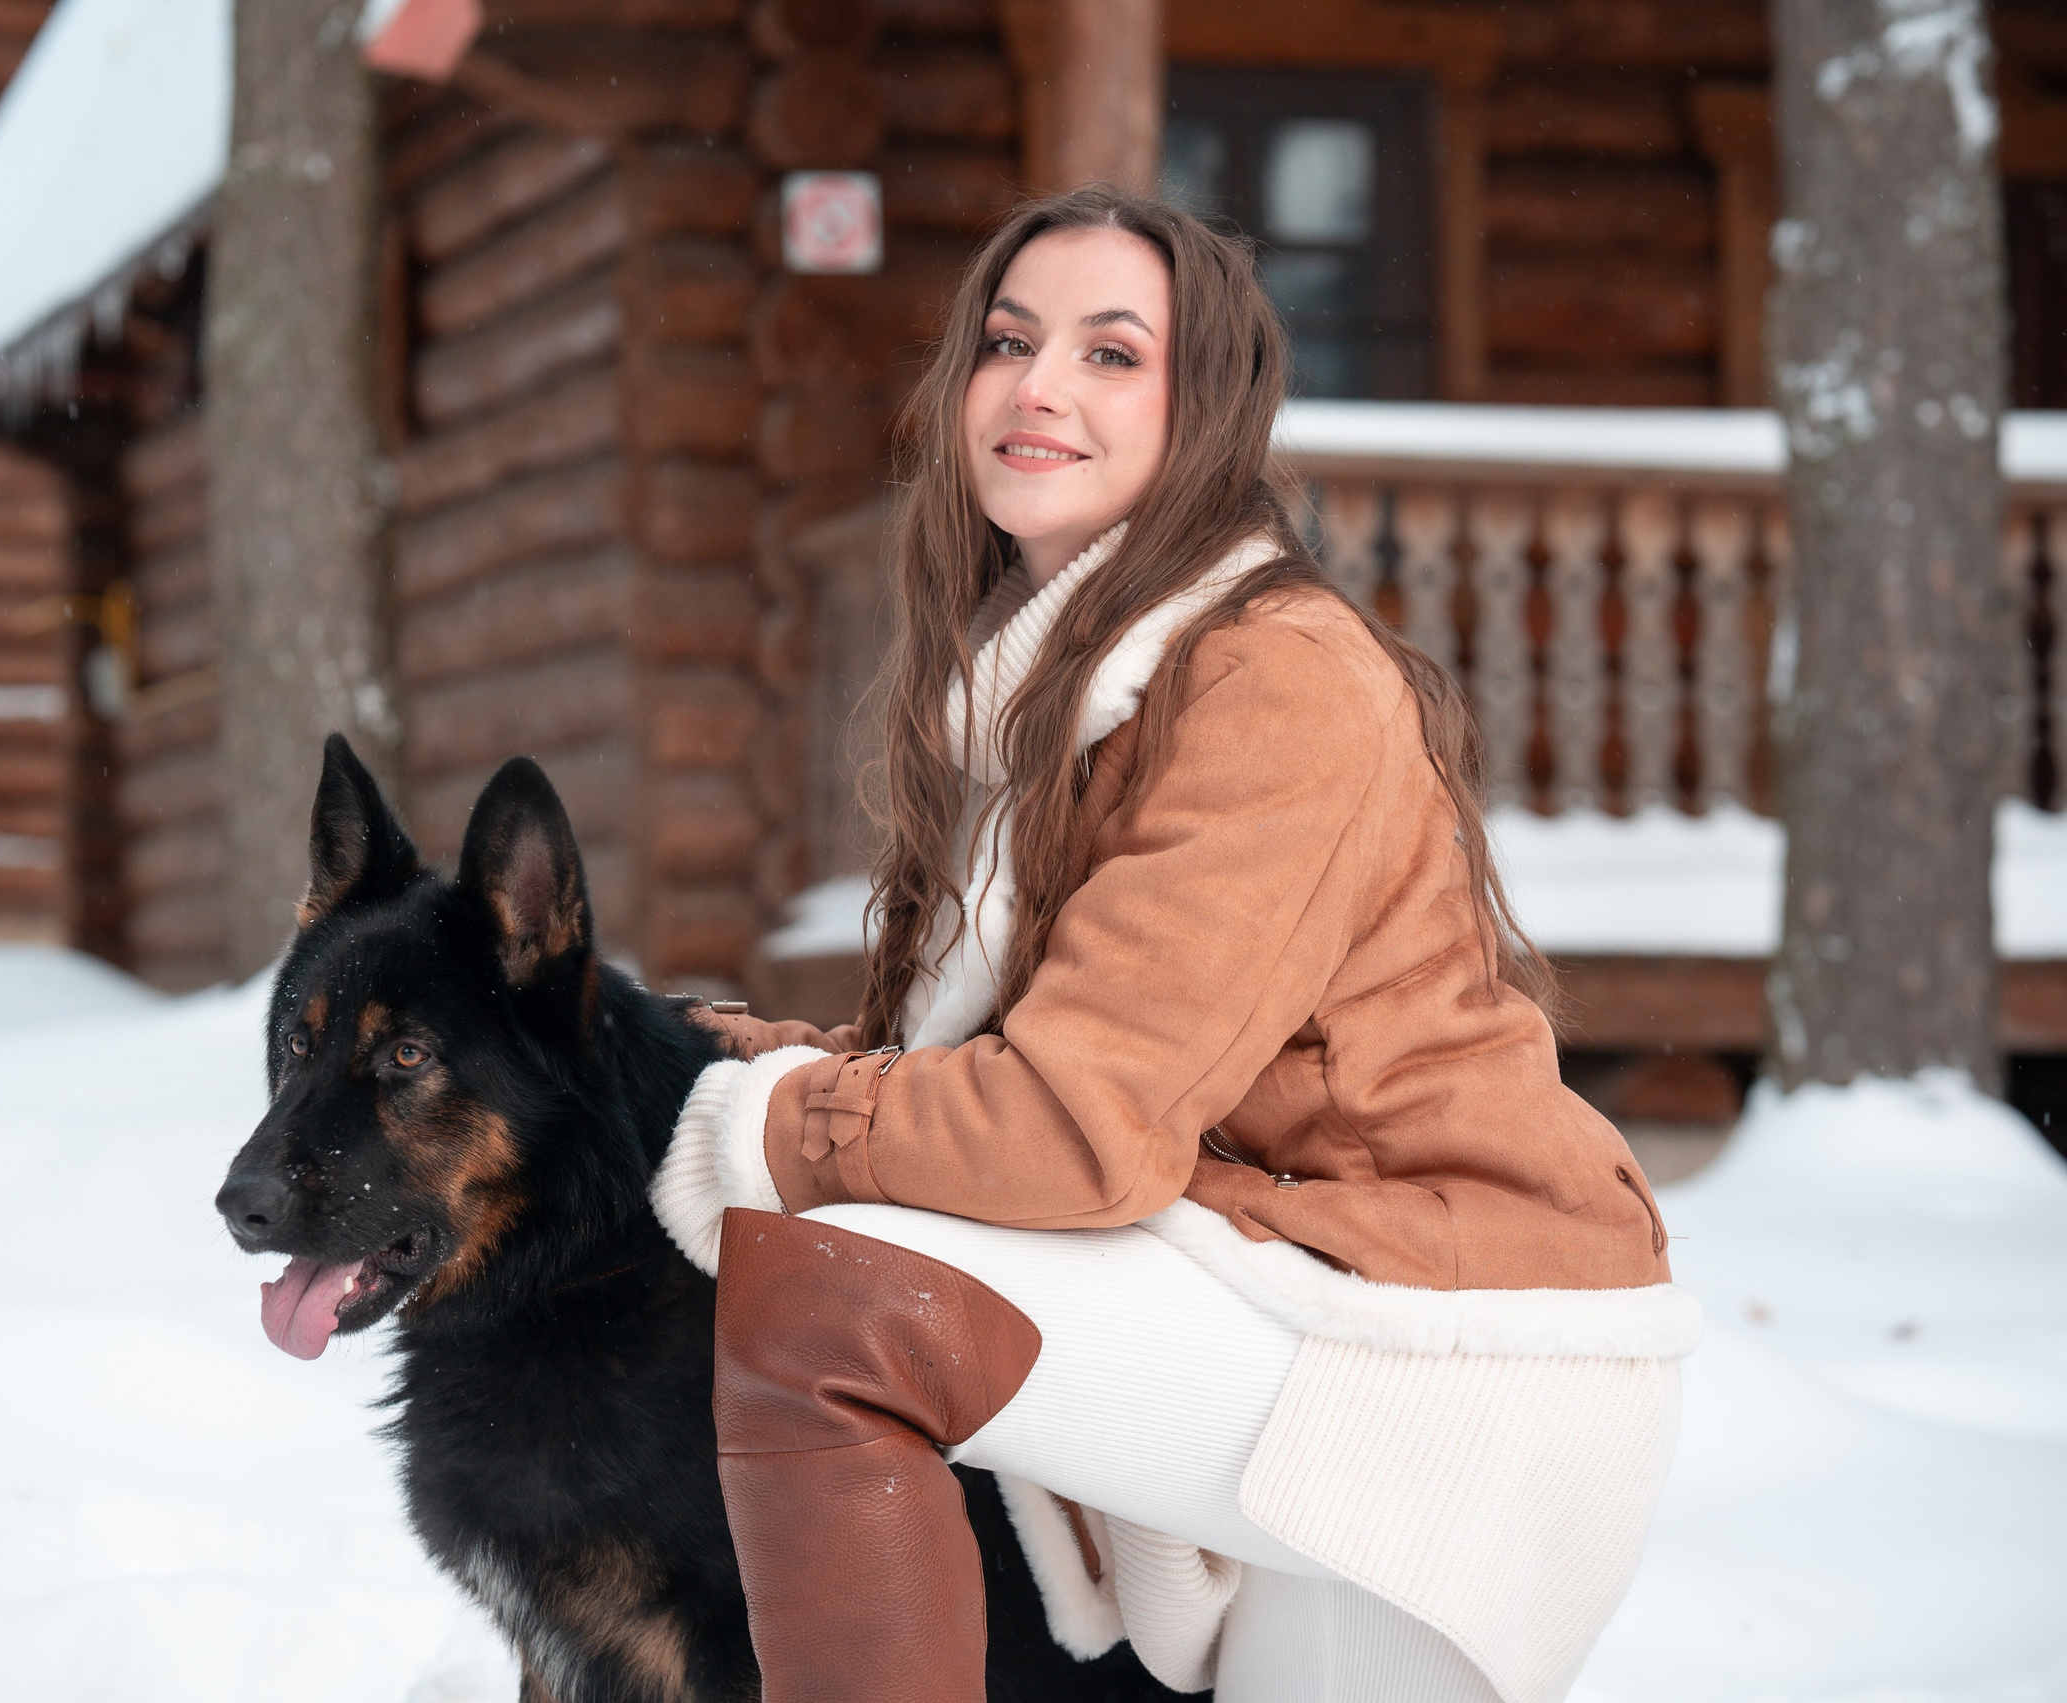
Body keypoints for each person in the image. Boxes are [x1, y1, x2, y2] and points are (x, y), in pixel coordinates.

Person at [648, 186, 1698, 1703]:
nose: (1040, 386)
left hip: (1452, 1361)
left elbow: (1072, 1128)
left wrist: (774, 1124)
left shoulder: (1275, 678)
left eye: (1111, 353)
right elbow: (1017, 1066)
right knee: (837, 1278)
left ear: (1206, 411)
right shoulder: (1043, 703)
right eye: (1009, 342)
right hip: (1297, 1294)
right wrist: (723, 1065)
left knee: (835, 1296)